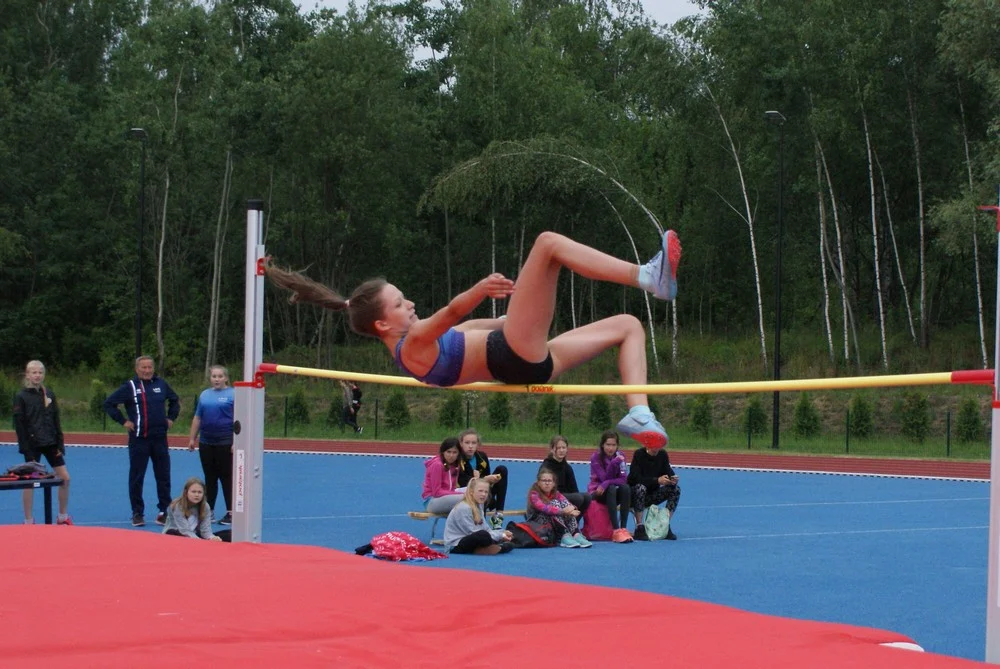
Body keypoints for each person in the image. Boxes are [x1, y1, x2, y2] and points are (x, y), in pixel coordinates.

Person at [266, 229, 681, 448]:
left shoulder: (418, 352)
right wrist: (480, 289)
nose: (410, 304)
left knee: (629, 325)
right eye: (399, 303)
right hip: (515, 354)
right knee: (548, 244)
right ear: (382, 325)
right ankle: (647, 276)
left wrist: (513, 317)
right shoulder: (413, 343)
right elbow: (452, 314)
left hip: (527, 360)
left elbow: (470, 331)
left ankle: (639, 413)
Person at [104, 355, 180, 528]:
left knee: (163, 476)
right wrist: (123, 421)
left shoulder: (161, 384)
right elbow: (109, 404)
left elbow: (174, 400)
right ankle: (137, 513)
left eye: (149, 367)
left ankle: (164, 512)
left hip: (160, 439)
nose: (147, 370)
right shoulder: (130, 386)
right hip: (139, 440)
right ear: (137, 369)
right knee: (137, 477)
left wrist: (171, 418)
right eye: (143, 367)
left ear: (153, 368)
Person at [12, 361, 72, 525]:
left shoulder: (49, 394)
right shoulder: (21, 396)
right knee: (29, 482)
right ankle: (28, 520)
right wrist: (26, 449)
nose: (37, 375)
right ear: (28, 375)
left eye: (40, 372)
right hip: (32, 445)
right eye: (34, 372)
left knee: (65, 478)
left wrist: (60, 443)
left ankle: (62, 517)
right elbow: (19, 425)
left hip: (51, 443)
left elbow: (56, 419)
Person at [187, 364, 234, 525]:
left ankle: (231, 512)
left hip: (225, 441)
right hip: (206, 441)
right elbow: (197, 417)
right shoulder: (205, 395)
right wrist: (192, 438)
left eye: (220, 376)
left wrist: (237, 441)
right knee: (210, 477)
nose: (217, 379)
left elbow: (239, 420)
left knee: (226, 477)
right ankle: (209, 511)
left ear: (226, 378)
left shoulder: (233, 394)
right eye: (214, 376)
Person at [443, 478, 515, 555]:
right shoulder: (464, 508)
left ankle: (486, 548)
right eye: (480, 491)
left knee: (510, 542)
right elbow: (473, 532)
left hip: (473, 538)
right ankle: (490, 547)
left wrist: (503, 533)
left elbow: (486, 528)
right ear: (471, 492)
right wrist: (500, 535)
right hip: (455, 545)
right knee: (483, 535)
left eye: (486, 492)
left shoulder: (478, 505)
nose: (483, 494)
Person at [627, 440, 680, 540]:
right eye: (653, 445)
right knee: (640, 488)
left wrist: (673, 479)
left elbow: (669, 471)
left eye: (658, 445)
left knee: (675, 489)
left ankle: (665, 525)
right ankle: (639, 527)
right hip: (634, 496)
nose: (656, 448)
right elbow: (635, 478)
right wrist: (657, 480)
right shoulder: (639, 454)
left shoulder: (662, 455)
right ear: (647, 444)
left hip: (651, 495)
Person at [526, 468, 592, 548]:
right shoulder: (534, 495)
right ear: (538, 483)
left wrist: (572, 509)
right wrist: (564, 511)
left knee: (565, 505)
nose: (547, 483)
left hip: (552, 519)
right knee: (555, 503)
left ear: (554, 483)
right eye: (544, 481)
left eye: (549, 481)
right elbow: (545, 508)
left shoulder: (556, 493)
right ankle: (563, 534)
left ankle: (575, 533)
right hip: (537, 521)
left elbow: (566, 502)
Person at [456, 428, 508, 528]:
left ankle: (498, 515)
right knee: (480, 491)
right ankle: (481, 523)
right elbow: (463, 482)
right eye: (467, 443)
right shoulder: (458, 459)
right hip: (467, 495)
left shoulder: (482, 456)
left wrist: (492, 480)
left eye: (473, 443)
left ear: (478, 444)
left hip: (484, 492)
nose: (470, 446)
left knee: (502, 470)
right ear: (461, 444)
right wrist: (482, 480)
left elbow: (486, 478)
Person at [588, 430, 633, 543]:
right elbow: (604, 478)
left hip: (609, 490)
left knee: (625, 488)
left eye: (613, 445)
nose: (611, 448)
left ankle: (623, 528)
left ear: (617, 445)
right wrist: (613, 464)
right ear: (602, 445)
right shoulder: (596, 457)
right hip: (597, 492)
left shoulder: (621, 456)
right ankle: (616, 531)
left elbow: (623, 480)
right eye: (608, 445)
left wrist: (607, 483)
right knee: (612, 488)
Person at [162, 477, 231, 542]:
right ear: (186, 492)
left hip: (195, 535)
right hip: (176, 536)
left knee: (229, 534)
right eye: (193, 492)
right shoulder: (178, 505)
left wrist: (212, 538)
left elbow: (205, 531)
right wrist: (201, 542)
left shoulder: (205, 506)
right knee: (173, 532)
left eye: (199, 492)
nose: (197, 495)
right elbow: (184, 530)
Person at [540, 435, 590, 516]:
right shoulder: (546, 467)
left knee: (587, 497)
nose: (561, 450)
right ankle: (566, 520)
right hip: (552, 497)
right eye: (558, 448)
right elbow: (545, 490)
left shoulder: (567, 467)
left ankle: (574, 522)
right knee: (578, 498)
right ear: (552, 449)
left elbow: (574, 489)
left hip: (565, 497)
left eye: (563, 448)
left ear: (567, 449)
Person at [421, 437, 466, 514]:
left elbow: (453, 489)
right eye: (448, 452)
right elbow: (437, 492)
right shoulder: (437, 465)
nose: (451, 455)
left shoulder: (455, 466)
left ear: (458, 453)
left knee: (476, 491)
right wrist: (461, 494)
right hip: (432, 501)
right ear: (443, 452)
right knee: (467, 497)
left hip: (446, 497)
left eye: (455, 452)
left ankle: (479, 519)